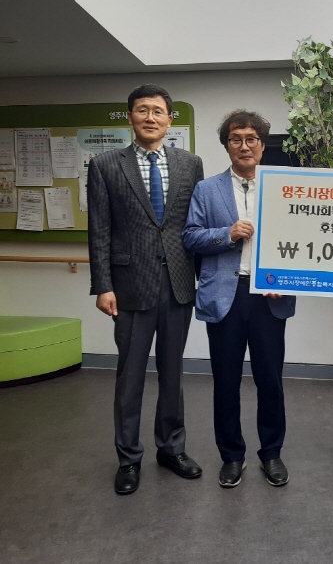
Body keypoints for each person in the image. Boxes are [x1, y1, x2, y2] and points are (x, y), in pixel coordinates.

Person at [88, 84, 204, 495]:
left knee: (173, 374)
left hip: (178, 284)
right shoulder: (105, 165)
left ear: (170, 119)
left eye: (157, 111)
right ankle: (128, 458)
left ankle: (171, 449)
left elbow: (195, 225)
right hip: (129, 286)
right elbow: (99, 230)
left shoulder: (190, 164)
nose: (150, 117)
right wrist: (102, 285)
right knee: (130, 377)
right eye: (142, 110)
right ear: (130, 117)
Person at [182, 110, 295, 488]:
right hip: (224, 297)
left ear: (262, 144)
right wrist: (227, 234)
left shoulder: (284, 188)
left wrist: (286, 277)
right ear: (227, 145)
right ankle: (231, 456)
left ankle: (271, 453)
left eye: (251, 139)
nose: (244, 146)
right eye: (236, 139)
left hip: (269, 297)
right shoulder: (207, 190)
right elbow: (190, 236)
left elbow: (301, 240)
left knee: (270, 380)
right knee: (226, 381)